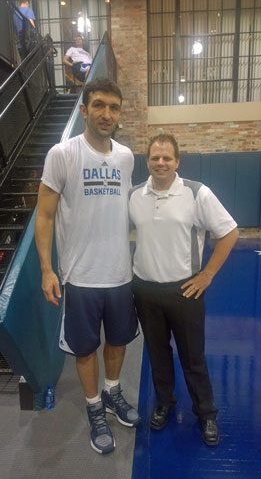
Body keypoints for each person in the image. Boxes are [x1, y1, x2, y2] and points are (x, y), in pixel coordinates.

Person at [35, 77, 141, 455]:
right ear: (84, 109)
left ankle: (113, 393)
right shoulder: (62, 154)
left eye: (113, 107)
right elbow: (44, 216)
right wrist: (48, 270)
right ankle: (95, 406)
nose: (106, 114)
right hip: (79, 277)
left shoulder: (126, 157)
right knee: (85, 350)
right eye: (99, 105)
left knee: (117, 341)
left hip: (120, 275)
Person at [129, 133, 239, 446]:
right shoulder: (135, 196)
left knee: (193, 357)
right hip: (145, 291)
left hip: (185, 292)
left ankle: (206, 413)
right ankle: (164, 403)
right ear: (147, 161)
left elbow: (229, 232)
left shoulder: (196, 193)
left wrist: (207, 275)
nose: (160, 162)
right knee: (158, 353)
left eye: (167, 157)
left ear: (177, 161)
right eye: (155, 157)